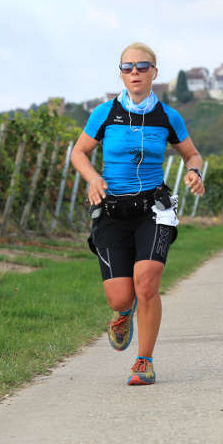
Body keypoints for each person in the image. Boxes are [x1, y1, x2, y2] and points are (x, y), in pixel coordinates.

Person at [71, 42, 205, 386]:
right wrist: (93, 178)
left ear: (154, 73)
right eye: (128, 67)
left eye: (142, 67)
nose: (134, 72)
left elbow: (192, 154)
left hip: (153, 209)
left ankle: (144, 361)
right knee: (121, 296)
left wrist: (194, 172)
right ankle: (122, 313)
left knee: (147, 284)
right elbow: (79, 153)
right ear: (121, 73)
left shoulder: (167, 117)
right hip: (112, 209)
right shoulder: (105, 113)